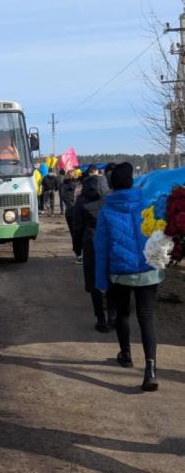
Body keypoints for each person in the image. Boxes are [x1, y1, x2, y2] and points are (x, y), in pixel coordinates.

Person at [94, 162, 163, 392]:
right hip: (148, 270)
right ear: (132, 182)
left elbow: (101, 249)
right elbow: (158, 237)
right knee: (146, 318)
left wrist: (100, 282)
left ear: (112, 184)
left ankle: (126, 355)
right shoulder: (147, 204)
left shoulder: (106, 210)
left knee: (122, 314)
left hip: (120, 273)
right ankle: (150, 369)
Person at [73, 168, 115, 332]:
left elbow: (77, 227)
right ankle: (112, 316)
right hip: (110, 242)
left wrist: (77, 248)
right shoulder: (110, 199)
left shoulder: (81, 201)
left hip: (90, 242)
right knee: (112, 279)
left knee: (94, 281)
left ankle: (101, 319)